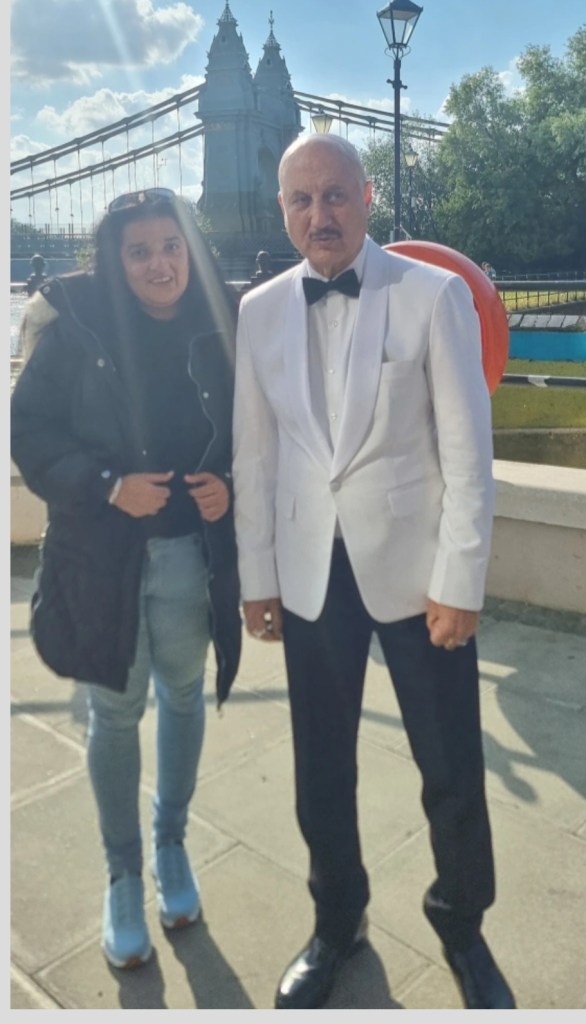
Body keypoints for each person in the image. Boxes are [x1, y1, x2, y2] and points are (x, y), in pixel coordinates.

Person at [232, 134, 515, 1010]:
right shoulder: (258, 310)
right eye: (300, 199)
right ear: (283, 210)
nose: (319, 214)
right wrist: (256, 577)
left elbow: (467, 452)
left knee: (451, 764)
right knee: (321, 764)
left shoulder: (434, 295)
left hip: (418, 574)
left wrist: (460, 581)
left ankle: (461, 924)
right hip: (309, 572)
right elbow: (257, 455)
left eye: (335, 195)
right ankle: (336, 921)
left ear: (366, 196)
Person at [11, 187, 242, 970]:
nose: (159, 264)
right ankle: (122, 875)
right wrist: (108, 485)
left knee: (183, 694)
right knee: (114, 712)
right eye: (139, 250)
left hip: (188, 556)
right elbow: (28, 430)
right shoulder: (74, 322)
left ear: (191, 250)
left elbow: (261, 427)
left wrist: (230, 484)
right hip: (100, 555)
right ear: (113, 258)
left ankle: (170, 845)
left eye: (172, 246)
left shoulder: (225, 318)